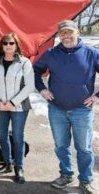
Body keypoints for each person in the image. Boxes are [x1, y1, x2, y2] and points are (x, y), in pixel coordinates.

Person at [34, 20, 98, 194]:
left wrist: (96, 96)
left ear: (77, 32)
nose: (66, 36)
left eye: (69, 32)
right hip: (57, 109)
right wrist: (42, 89)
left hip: (82, 110)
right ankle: (66, 174)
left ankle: (85, 180)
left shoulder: (92, 53)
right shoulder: (51, 53)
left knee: (84, 148)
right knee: (61, 145)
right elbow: (35, 71)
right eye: (62, 33)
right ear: (59, 36)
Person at [0, 32, 34, 184]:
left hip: (19, 107)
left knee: (18, 137)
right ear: (1, 46)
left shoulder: (25, 63)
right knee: (2, 135)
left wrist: (13, 103)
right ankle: (7, 163)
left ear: (16, 45)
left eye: (11, 43)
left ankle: (19, 167)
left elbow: (29, 86)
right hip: (1, 106)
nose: (8, 46)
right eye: (5, 43)